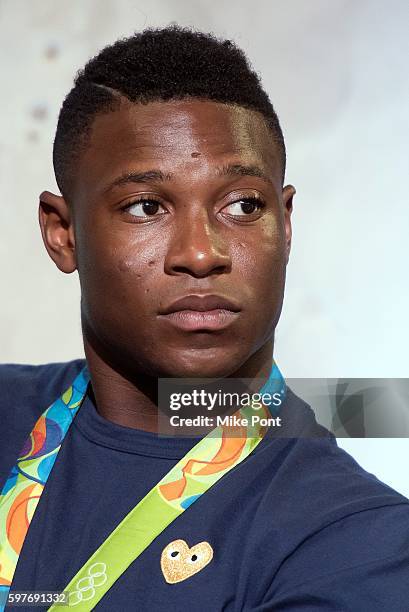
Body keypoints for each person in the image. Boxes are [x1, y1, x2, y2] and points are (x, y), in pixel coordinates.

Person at [1, 25, 408, 611]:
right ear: (63, 234)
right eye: (146, 207)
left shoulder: (357, 540)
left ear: (285, 225)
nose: (201, 253)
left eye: (243, 205)